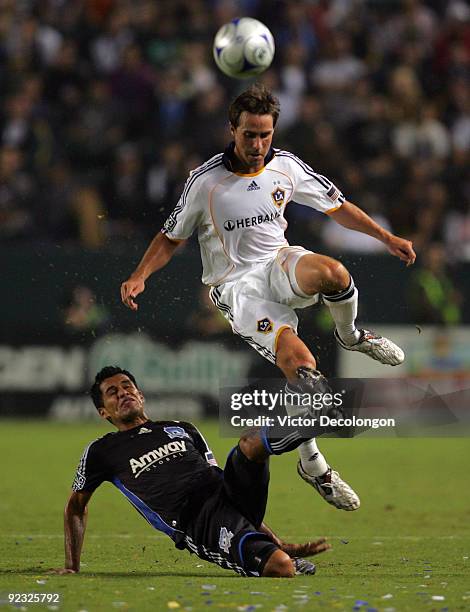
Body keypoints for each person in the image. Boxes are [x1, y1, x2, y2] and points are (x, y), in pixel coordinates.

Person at [121, 84, 416, 512]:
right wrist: (139, 275)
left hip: (278, 263)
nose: (257, 145)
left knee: (335, 273)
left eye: (265, 135)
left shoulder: (286, 167)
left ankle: (350, 335)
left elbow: (338, 207)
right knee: (306, 377)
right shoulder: (205, 182)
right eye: (249, 135)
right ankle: (313, 465)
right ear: (232, 130)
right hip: (239, 289)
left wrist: (386, 237)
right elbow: (170, 237)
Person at [55, 366, 331, 578]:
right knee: (281, 568)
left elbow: (228, 495)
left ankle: (320, 419)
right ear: (104, 412)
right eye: (112, 392)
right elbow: (75, 507)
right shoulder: (102, 451)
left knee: (250, 442)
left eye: (127, 386)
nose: (123, 392)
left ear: (140, 395)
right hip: (198, 523)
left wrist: (277, 540)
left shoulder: (183, 428)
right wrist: (72, 567)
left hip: (225, 491)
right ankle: (274, 553)